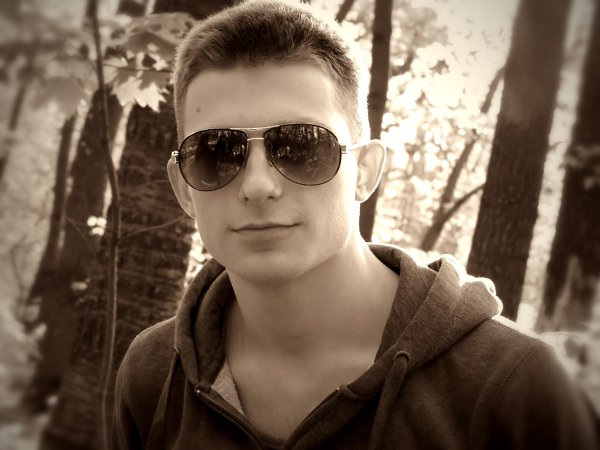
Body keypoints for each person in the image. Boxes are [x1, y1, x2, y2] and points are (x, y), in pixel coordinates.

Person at [112, 1, 599, 448]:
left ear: (365, 171)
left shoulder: (518, 388)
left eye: (301, 146)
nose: (257, 185)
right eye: (217, 152)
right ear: (183, 188)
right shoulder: (152, 375)